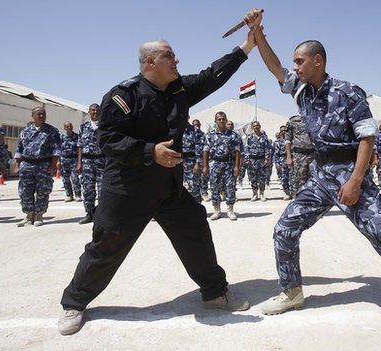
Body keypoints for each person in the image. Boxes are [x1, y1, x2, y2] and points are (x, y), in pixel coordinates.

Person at [250, 10, 381, 337]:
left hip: (349, 171)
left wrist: (356, 181)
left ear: (318, 61)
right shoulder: (302, 91)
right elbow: (274, 67)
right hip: (321, 175)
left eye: (300, 61)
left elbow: (367, 138)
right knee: (285, 229)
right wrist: (258, 34)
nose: (295, 67)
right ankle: (292, 292)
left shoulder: (348, 92)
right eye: (294, 62)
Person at [58, 21, 259, 335]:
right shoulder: (123, 96)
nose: (176, 60)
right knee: (106, 246)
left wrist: (247, 46)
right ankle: (74, 303)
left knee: (196, 230)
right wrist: (150, 151)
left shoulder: (179, 90)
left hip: (169, 190)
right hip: (127, 190)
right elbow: (108, 141)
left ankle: (215, 292)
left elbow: (212, 76)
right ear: (150, 63)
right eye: (169, 56)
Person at [14, 107, 61, 227]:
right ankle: (29, 215)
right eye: (39, 114)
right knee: (25, 191)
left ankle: (39, 214)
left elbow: (56, 149)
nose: (41, 116)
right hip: (27, 164)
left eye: (43, 114)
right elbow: (19, 148)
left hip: (43, 164)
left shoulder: (52, 131)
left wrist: (53, 165)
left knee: (43, 191)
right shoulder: (25, 131)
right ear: (32, 116)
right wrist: (17, 164)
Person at [203, 112, 241, 220]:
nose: (221, 121)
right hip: (214, 164)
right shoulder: (209, 135)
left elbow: (238, 152)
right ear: (215, 121)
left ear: (226, 120)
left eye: (223, 119)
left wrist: (237, 167)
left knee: (230, 187)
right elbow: (206, 151)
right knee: (214, 187)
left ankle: (230, 210)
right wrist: (205, 166)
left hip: (229, 164)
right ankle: (217, 211)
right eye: (219, 119)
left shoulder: (233, 135)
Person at [76, 104, 106, 224]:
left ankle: (102, 214)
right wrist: (79, 162)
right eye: (93, 110)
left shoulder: (105, 126)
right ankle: (90, 213)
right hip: (87, 161)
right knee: (87, 188)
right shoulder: (83, 127)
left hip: (102, 161)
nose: (95, 112)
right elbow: (80, 146)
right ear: (89, 112)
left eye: (97, 110)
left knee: (102, 188)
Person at [285, 115, 315, 196]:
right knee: (299, 179)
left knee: (314, 180)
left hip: (314, 155)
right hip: (299, 156)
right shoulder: (292, 121)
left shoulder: (315, 118)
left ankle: (311, 201)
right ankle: (299, 201)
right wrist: (288, 157)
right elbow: (287, 140)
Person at [243, 121, 271, 201]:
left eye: (257, 125)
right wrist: (247, 159)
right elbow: (246, 148)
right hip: (252, 160)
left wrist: (266, 159)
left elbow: (267, 149)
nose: (256, 127)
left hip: (262, 160)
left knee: (262, 178)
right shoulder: (249, 137)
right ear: (252, 127)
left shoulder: (264, 137)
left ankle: (262, 194)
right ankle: (254, 194)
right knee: (253, 178)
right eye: (254, 126)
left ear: (260, 126)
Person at [182, 119, 205, 202]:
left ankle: (197, 208)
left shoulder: (195, 130)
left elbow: (200, 148)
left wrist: (198, 163)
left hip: (191, 162)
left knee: (194, 186)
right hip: (178, 162)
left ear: (187, 117)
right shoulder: (176, 129)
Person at [59, 121, 82, 203]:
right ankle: (69, 195)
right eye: (67, 126)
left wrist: (80, 162)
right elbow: (59, 149)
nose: (69, 127)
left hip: (74, 160)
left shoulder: (77, 137)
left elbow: (80, 149)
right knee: (65, 179)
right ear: (64, 128)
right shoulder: (62, 137)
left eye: (70, 126)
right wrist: (58, 161)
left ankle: (78, 195)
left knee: (75, 178)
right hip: (64, 160)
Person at [274, 126, 291, 200]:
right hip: (282, 161)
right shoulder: (277, 142)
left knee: (293, 178)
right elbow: (276, 154)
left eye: (285, 130)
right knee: (284, 179)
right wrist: (277, 163)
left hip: (292, 161)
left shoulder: (292, 140)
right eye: (282, 131)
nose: (284, 132)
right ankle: (287, 193)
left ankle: (294, 193)